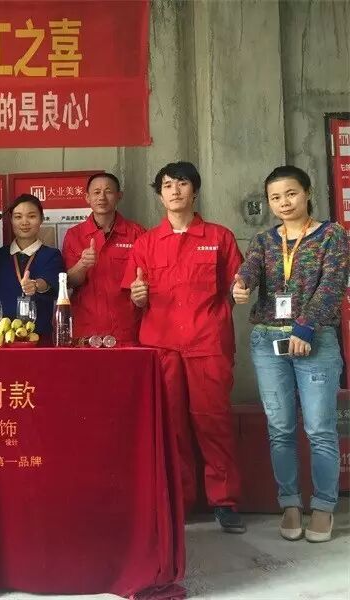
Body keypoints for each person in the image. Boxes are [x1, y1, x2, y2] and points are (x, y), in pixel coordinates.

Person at [122, 161, 246, 533]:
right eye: (167, 185)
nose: (174, 191)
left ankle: (225, 501)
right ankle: (180, 501)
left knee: (214, 423)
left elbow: (236, 285)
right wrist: (138, 296)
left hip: (207, 344)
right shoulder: (146, 243)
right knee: (171, 426)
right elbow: (135, 295)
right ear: (159, 195)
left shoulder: (219, 237)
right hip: (162, 347)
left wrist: (240, 292)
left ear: (195, 190)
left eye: (182, 183)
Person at [234, 166, 348, 543]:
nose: (283, 202)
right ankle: (290, 503)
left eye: (291, 193)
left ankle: (324, 506)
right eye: (275, 197)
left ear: (308, 193)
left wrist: (305, 326)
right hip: (268, 342)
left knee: (319, 429)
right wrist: (241, 284)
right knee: (280, 429)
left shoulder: (331, 235)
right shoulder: (264, 240)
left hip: (314, 341)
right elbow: (250, 269)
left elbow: (332, 285)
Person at [62, 172, 145, 345]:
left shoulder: (137, 233)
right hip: (86, 329)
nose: (102, 197)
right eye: (96, 192)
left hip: (126, 327)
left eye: (108, 191)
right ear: (87, 197)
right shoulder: (74, 235)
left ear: (119, 196)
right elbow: (68, 282)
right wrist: (82, 265)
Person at [0, 194, 64, 336]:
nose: (24, 222)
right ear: (11, 220)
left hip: (38, 337)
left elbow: (52, 282)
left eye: (31, 216)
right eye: (18, 217)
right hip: (1, 337)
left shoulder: (52, 255)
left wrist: (36, 285)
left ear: (41, 219)